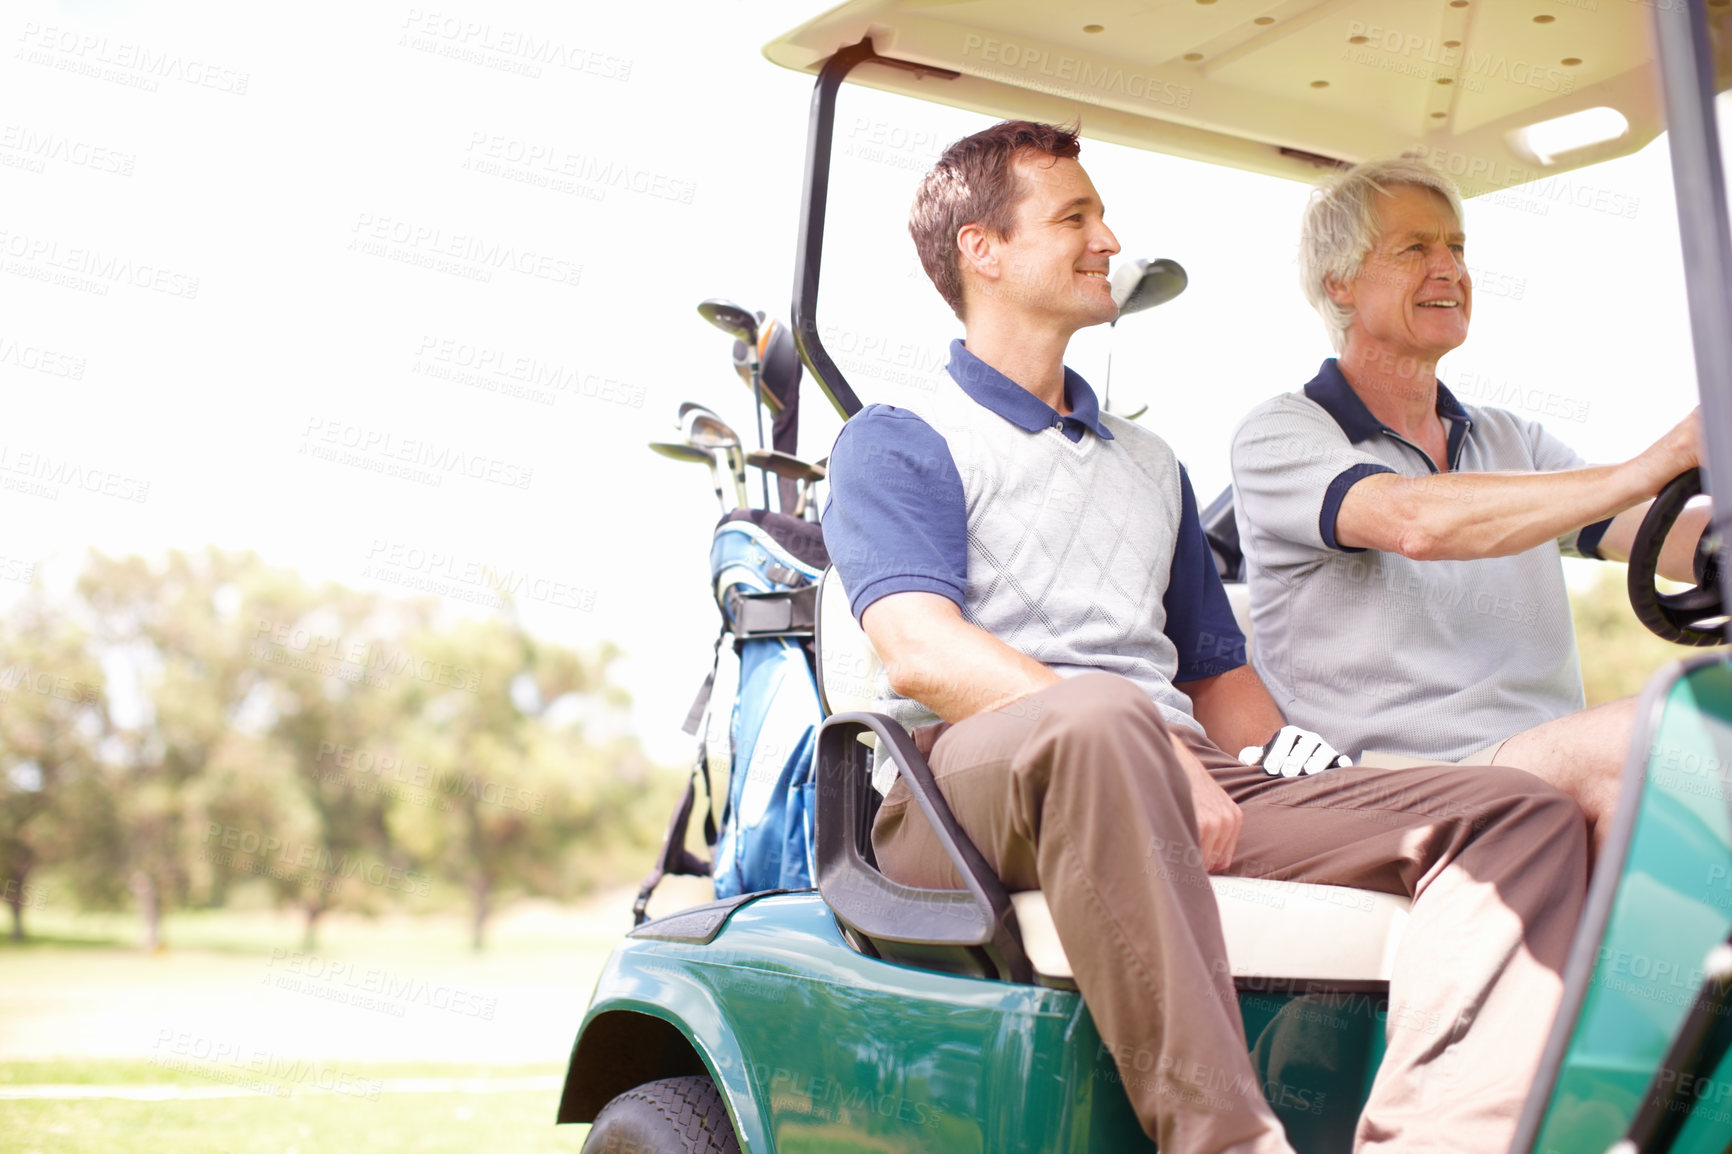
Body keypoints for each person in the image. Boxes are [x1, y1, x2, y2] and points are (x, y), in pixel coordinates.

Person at [823, 121, 1587, 1154]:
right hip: (961, 796)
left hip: (1168, 765)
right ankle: (1225, 1138)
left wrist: (1315, 777)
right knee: (1101, 715)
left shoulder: (1147, 462)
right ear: (982, 250)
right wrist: (1142, 737)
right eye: (1075, 217)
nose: (1108, 239)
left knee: (1518, 812)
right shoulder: (899, 435)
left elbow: (1220, 684)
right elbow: (920, 650)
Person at [1230, 157, 1713, 854]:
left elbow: (1654, 531)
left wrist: (1705, 533)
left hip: (1536, 761)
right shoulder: (1283, 433)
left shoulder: (1510, 438)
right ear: (1340, 283)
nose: (1448, 269)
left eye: (1456, 248)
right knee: (1663, 737)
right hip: (1389, 782)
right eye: (1414, 249)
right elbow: (1416, 522)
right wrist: (1648, 465)